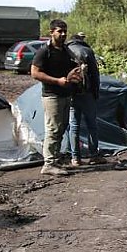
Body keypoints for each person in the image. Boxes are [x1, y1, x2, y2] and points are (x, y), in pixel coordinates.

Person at [31, 20, 82, 176]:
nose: (63, 34)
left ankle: (56, 159)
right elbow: (35, 73)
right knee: (53, 129)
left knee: (61, 128)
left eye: (65, 31)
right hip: (51, 96)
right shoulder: (44, 51)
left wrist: (76, 73)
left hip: (65, 94)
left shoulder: (66, 50)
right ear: (51, 32)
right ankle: (48, 164)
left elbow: (72, 67)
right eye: (60, 31)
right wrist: (57, 81)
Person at [64, 32, 102, 167]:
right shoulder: (87, 51)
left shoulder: (65, 50)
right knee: (92, 125)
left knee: (74, 126)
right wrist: (96, 93)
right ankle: (94, 156)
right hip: (87, 93)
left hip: (71, 93)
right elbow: (95, 74)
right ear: (81, 40)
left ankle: (75, 157)